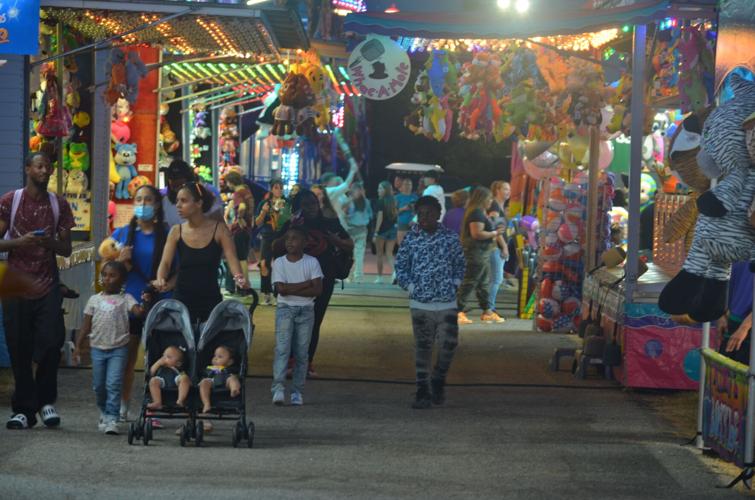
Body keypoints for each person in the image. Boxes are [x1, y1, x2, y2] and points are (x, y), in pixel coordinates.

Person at [0, 152, 75, 430]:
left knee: (50, 343)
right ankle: (23, 410)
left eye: (48, 167)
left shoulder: (59, 204)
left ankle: (45, 403)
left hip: (47, 284)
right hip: (15, 283)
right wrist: (21, 241)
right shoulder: (11, 201)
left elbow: (66, 249)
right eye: (40, 166)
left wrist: (49, 243)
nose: (45, 170)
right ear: (28, 169)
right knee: (19, 347)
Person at [395, 196, 465, 409]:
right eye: (421, 213)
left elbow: (460, 263)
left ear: (438, 214)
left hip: (446, 301)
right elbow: (401, 265)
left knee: (449, 344)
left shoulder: (450, 238)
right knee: (423, 346)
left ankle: (439, 377)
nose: (424, 218)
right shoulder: (411, 238)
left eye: (429, 213)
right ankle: (422, 390)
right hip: (421, 303)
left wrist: (454, 283)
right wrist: (410, 286)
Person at [273, 190, 353, 376]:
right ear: (297, 207)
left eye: (313, 203)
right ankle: (291, 361)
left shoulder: (329, 224)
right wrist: (290, 232)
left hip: (323, 278)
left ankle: (306, 362)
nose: (310, 208)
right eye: (305, 204)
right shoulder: (292, 225)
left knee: (314, 320)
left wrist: (335, 240)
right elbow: (274, 247)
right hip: (293, 278)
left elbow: (350, 244)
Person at [111, 184, 170, 422]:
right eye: (138, 199)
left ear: (156, 205)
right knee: (126, 359)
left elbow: (178, 269)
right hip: (131, 304)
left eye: (148, 200)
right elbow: (109, 267)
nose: (142, 204)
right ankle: (122, 406)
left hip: (161, 304)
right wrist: (120, 260)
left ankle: (153, 407)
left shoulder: (168, 234)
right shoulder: (123, 234)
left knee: (157, 360)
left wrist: (168, 283)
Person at [155, 182, 249, 324]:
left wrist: (239, 277)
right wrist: (161, 277)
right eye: (177, 201)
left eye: (184, 201)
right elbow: (165, 263)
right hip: (181, 299)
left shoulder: (220, 230)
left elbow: (232, 259)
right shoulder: (176, 231)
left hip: (210, 299)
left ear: (199, 203)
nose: (178, 205)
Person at [73, 261, 144, 435]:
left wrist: (144, 304)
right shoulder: (94, 300)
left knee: (113, 383)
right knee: (99, 385)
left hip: (119, 349)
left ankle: (112, 418)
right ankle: (103, 411)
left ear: (123, 280)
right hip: (97, 349)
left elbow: (138, 312)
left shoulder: (126, 299)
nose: (107, 279)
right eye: (104, 275)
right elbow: (86, 325)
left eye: (113, 275)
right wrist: (78, 345)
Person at [271, 226, 323, 405]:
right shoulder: (279, 262)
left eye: (294, 239)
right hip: (285, 309)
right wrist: (305, 284)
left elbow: (317, 290)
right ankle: (278, 388)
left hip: (306, 311)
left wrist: (291, 288)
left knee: (302, 352)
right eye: (287, 239)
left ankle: (297, 391)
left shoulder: (312, 262)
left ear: (304, 242)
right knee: (282, 349)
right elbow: (280, 290)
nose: (290, 242)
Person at [457, 187, 505, 325]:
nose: (491, 201)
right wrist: (494, 233)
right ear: (482, 199)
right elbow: (477, 233)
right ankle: (457, 311)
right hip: (475, 252)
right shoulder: (476, 213)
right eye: (489, 198)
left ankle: (488, 311)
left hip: (482, 253)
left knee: (483, 283)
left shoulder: (479, 212)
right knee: (470, 282)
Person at [255, 180, 289, 305]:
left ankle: (278, 293)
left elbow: (291, 220)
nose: (279, 190)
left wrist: (283, 212)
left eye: (281, 187)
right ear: (271, 189)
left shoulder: (287, 203)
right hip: (267, 236)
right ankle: (266, 293)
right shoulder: (265, 203)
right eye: (276, 187)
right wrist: (264, 211)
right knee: (264, 264)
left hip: (282, 237)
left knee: (280, 265)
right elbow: (257, 223)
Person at [159, 159, 223, 226]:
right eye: (172, 179)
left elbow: (219, 225)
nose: (176, 183)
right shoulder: (165, 201)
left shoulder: (207, 195)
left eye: (180, 180)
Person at [223, 171, 255, 294]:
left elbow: (241, 207)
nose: (227, 184)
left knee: (239, 259)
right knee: (243, 258)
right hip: (247, 230)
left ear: (231, 182)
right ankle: (244, 287)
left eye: (227, 182)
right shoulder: (247, 191)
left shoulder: (238, 193)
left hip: (240, 230)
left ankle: (244, 287)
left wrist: (240, 218)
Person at [720, 261, 754, 364]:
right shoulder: (736, 247)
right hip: (732, 321)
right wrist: (720, 314)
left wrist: (745, 327)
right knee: (725, 374)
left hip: (749, 325)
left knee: (746, 377)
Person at [487, 181, 511, 314]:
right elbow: (494, 226)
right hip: (495, 246)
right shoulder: (495, 206)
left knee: (495, 279)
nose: (508, 192)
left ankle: (489, 306)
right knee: (496, 279)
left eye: (509, 190)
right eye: (505, 189)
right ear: (497, 190)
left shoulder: (500, 206)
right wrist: (504, 246)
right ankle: (489, 308)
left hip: (498, 246)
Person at [343, 181, 372, 283]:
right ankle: (358, 276)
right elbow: (370, 216)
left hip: (351, 230)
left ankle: (348, 276)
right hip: (362, 230)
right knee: (359, 255)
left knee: (349, 255)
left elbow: (345, 215)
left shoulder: (349, 201)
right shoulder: (366, 202)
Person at [198, 345, 241, 414]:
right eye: (214, 356)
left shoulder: (230, 369)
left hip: (226, 380)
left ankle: (234, 389)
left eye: (220, 357)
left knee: (233, 378)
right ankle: (206, 403)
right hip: (213, 381)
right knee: (204, 382)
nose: (215, 359)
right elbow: (204, 373)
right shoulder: (210, 368)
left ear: (230, 362)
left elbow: (235, 372)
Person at [321, 160, 359, 230]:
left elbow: (343, 206)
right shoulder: (327, 191)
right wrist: (352, 171)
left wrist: (352, 198)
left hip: (340, 224)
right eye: (334, 180)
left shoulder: (335, 193)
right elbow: (346, 185)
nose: (336, 182)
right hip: (334, 225)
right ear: (326, 183)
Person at [373, 181, 398, 284]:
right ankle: (395, 273)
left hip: (382, 230)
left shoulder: (380, 201)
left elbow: (380, 217)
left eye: (380, 188)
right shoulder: (393, 201)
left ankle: (380, 278)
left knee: (379, 254)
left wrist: (376, 232)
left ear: (386, 190)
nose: (378, 190)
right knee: (389, 253)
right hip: (392, 229)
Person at [395, 178, 418, 246]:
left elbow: (420, 212)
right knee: (401, 245)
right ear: (402, 186)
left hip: (413, 224)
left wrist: (414, 220)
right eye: (405, 184)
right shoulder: (397, 197)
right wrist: (403, 208)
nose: (407, 186)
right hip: (402, 224)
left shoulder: (415, 197)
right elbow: (393, 213)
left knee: (413, 245)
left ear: (412, 186)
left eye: (409, 184)